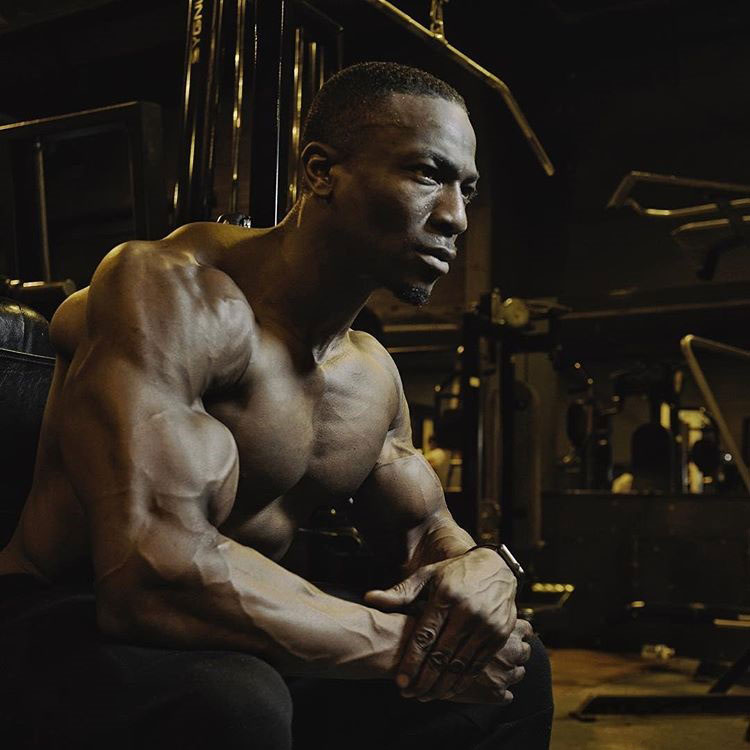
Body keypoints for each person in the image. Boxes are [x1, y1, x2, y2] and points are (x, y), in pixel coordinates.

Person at [0, 61, 552, 749]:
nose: (456, 217)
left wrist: (484, 567)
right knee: (235, 700)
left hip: (222, 629)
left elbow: (425, 538)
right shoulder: (169, 293)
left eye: (466, 188)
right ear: (321, 172)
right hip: (60, 615)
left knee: (517, 676)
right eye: (426, 175)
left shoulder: (369, 374)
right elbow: (148, 575)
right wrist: (420, 650)